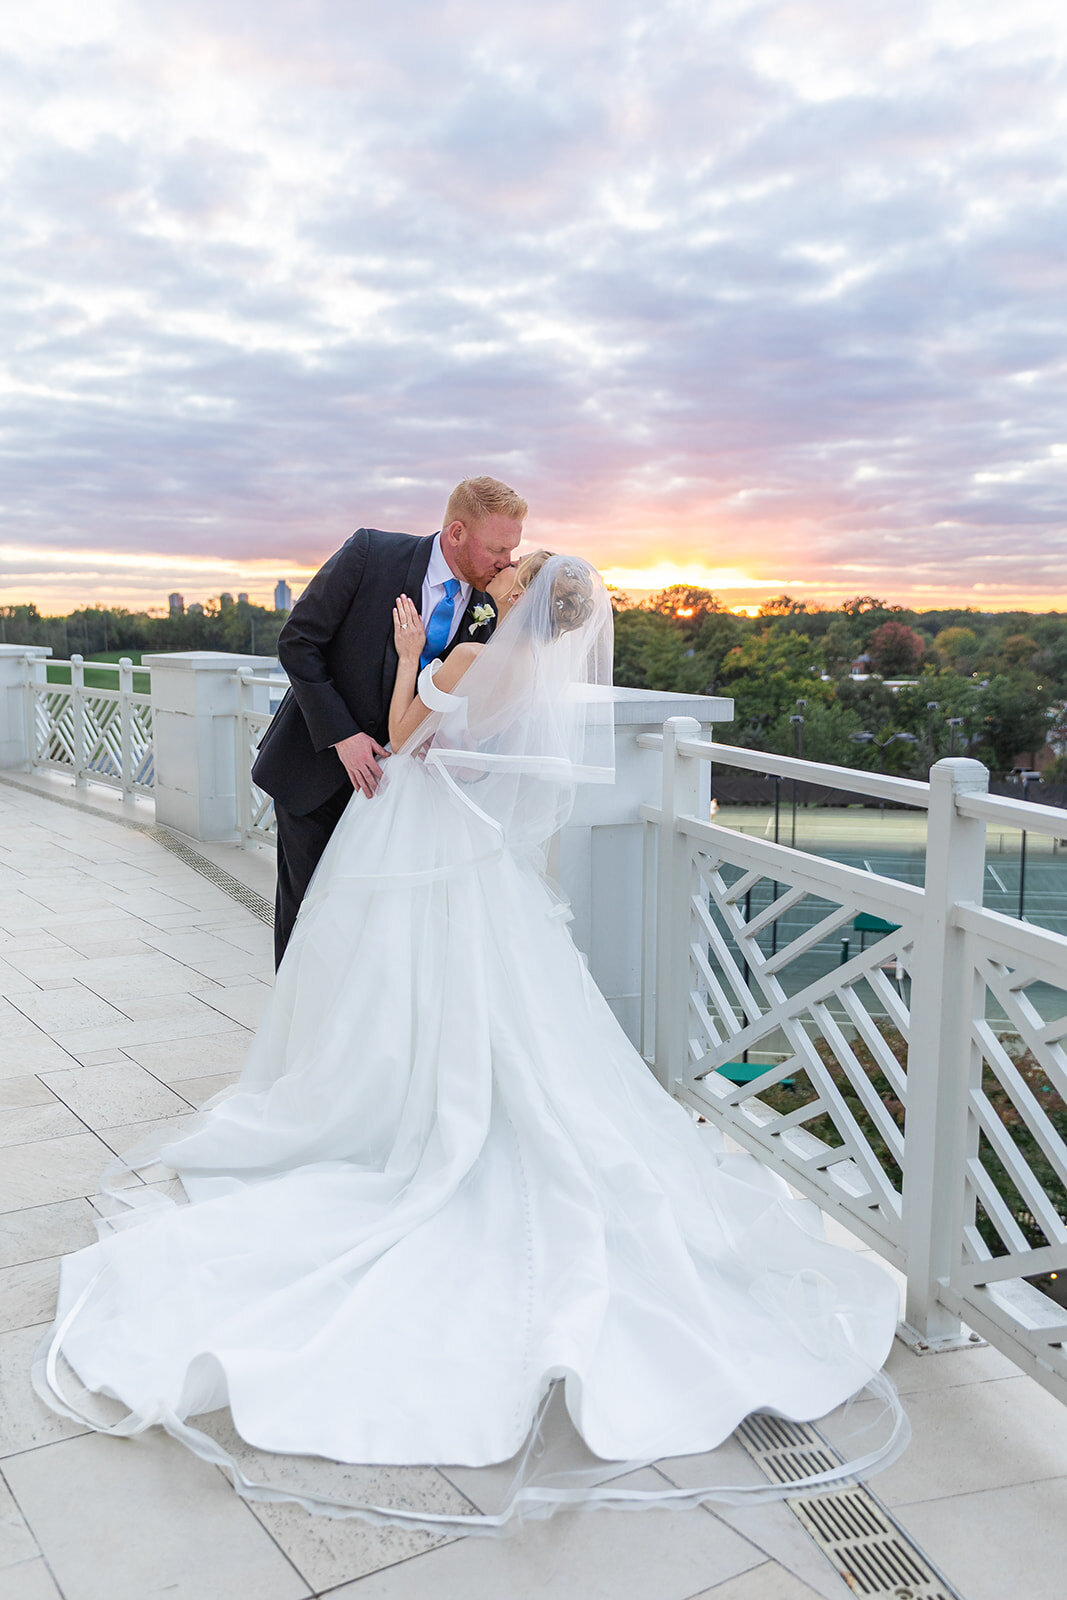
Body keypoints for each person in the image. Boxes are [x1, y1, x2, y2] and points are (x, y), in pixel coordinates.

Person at [35, 554, 906, 1533]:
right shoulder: (524, 669)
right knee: (499, 1010)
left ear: (521, 597)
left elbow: (405, 736)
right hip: (475, 853)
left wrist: (411, 656)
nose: (503, 566)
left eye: (517, 566)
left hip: (416, 838)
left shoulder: (482, 652)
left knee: (401, 1000)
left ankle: (406, 1118)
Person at [252, 475, 526, 965]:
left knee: (376, 934)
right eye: (497, 548)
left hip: (406, 803)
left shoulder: (497, 602)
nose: (507, 561)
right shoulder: (370, 553)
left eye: (513, 548)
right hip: (321, 777)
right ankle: (298, 1037)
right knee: (310, 921)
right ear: (457, 532)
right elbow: (298, 642)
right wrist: (343, 737)